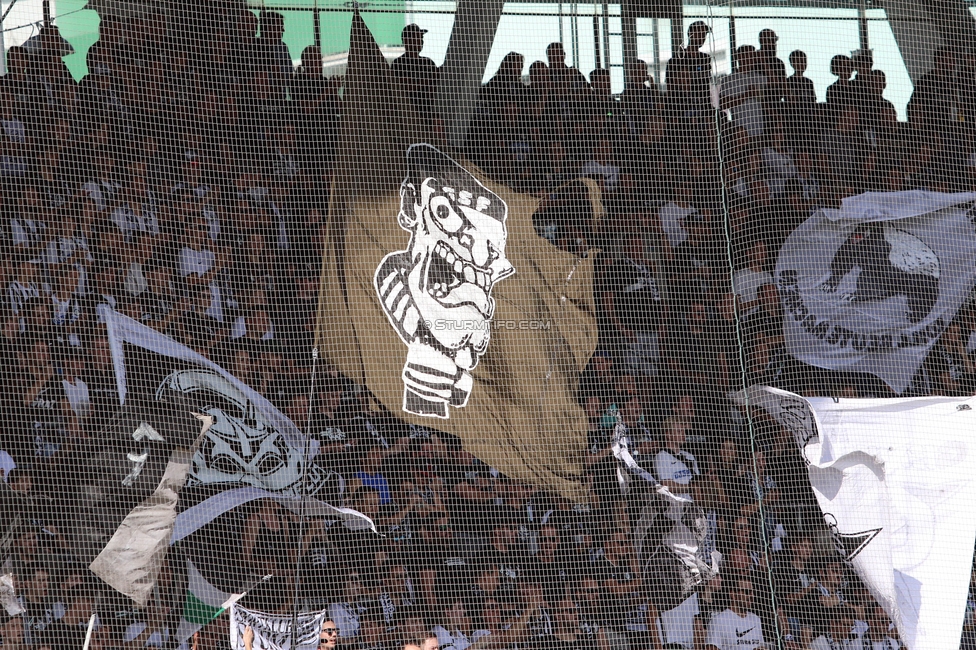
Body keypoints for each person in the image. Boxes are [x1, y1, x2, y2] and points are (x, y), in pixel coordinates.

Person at [391, 24, 439, 114]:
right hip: (407, 113)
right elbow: (400, 86)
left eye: (421, 38)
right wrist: (426, 81)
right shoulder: (399, 63)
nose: (420, 41)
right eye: (417, 37)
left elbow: (436, 86)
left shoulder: (428, 63)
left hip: (427, 112)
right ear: (407, 41)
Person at [705, 579, 765, 650]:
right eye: (747, 592)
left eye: (753, 592)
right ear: (733, 594)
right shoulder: (718, 621)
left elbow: (761, 646)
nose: (752, 596)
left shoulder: (756, 619)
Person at [665, 21, 713, 110]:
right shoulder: (677, 59)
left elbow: (706, 85)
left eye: (704, 34)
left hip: (702, 107)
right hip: (682, 108)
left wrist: (707, 109)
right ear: (691, 34)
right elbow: (670, 89)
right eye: (700, 33)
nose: (703, 37)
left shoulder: (705, 58)